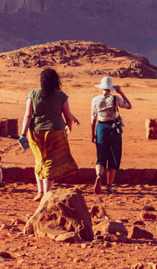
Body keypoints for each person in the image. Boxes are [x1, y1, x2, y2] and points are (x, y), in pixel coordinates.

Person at [20, 68, 80, 200]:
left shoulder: (33, 94)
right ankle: (47, 193)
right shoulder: (61, 96)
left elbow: (28, 115)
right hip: (56, 131)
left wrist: (23, 134)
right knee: (50, 162)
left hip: (35, 132)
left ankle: (40, 191)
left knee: (39, 159)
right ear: (55, 81)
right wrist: (68, 128)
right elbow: (68, 116)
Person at [91, 76, 132, 194]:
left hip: (101, 128)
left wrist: (92, 134)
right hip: (114, 129)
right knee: (113, 158)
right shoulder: (115, 98)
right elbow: (129, 106)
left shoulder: (95, 99)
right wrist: (121, 92)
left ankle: (99, 175)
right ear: (111, 87)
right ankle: (109, 187)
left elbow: (93, 118)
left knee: (101, 158)